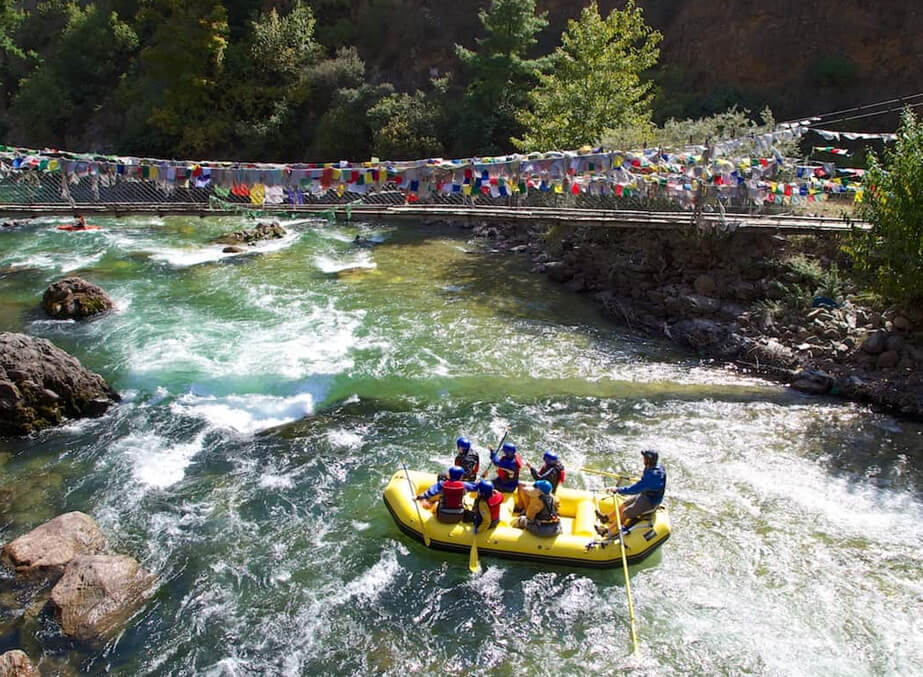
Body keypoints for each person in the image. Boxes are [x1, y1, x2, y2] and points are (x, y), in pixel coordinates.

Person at [596, 449, 666, 537]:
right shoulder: (653, 467)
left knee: (626, 512)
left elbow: (634, 489)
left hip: (650, 501)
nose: (643, 459)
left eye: (644, 458)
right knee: (625, 504)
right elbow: (644, 483)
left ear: (649, 460)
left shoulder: (653, 476)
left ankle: (607, 531)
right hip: (646, 494)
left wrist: (618, 490)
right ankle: (606, 518)